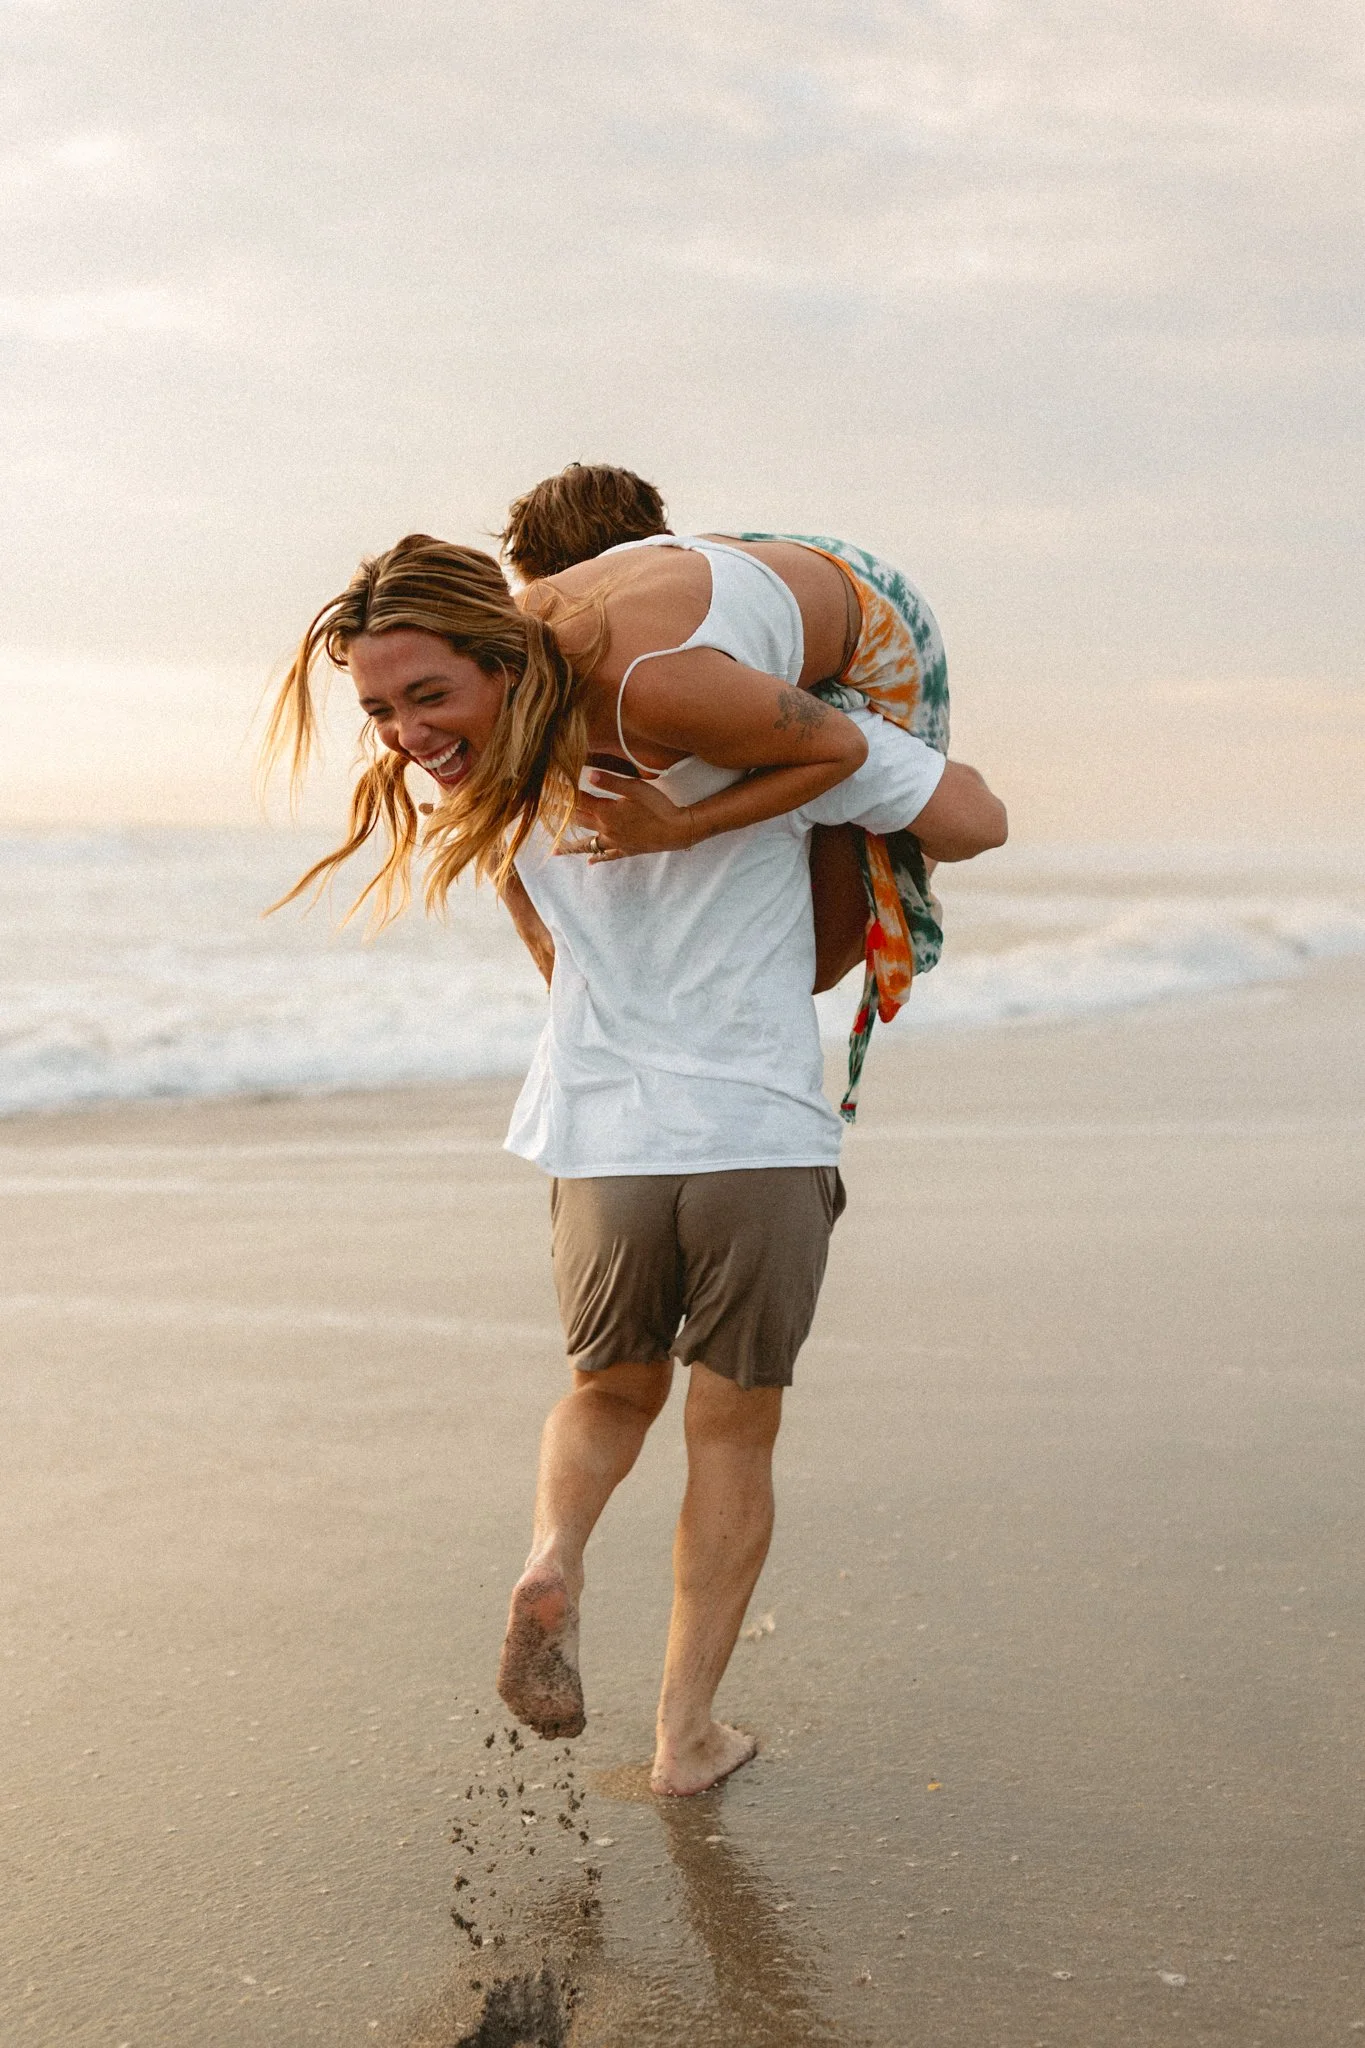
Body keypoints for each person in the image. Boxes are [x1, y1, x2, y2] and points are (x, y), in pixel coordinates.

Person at [262, 531, 1005, 1795]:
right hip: (755, 1133)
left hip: (605, 1135)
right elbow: (971, 818)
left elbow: (549, 951)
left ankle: (553, 1552)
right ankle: (686, 1736)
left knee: (605, 1395)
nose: (405, 732)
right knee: (732, 1433)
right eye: (385, 708)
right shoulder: (782, 724)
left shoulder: (489, 788)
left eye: (420, 699)